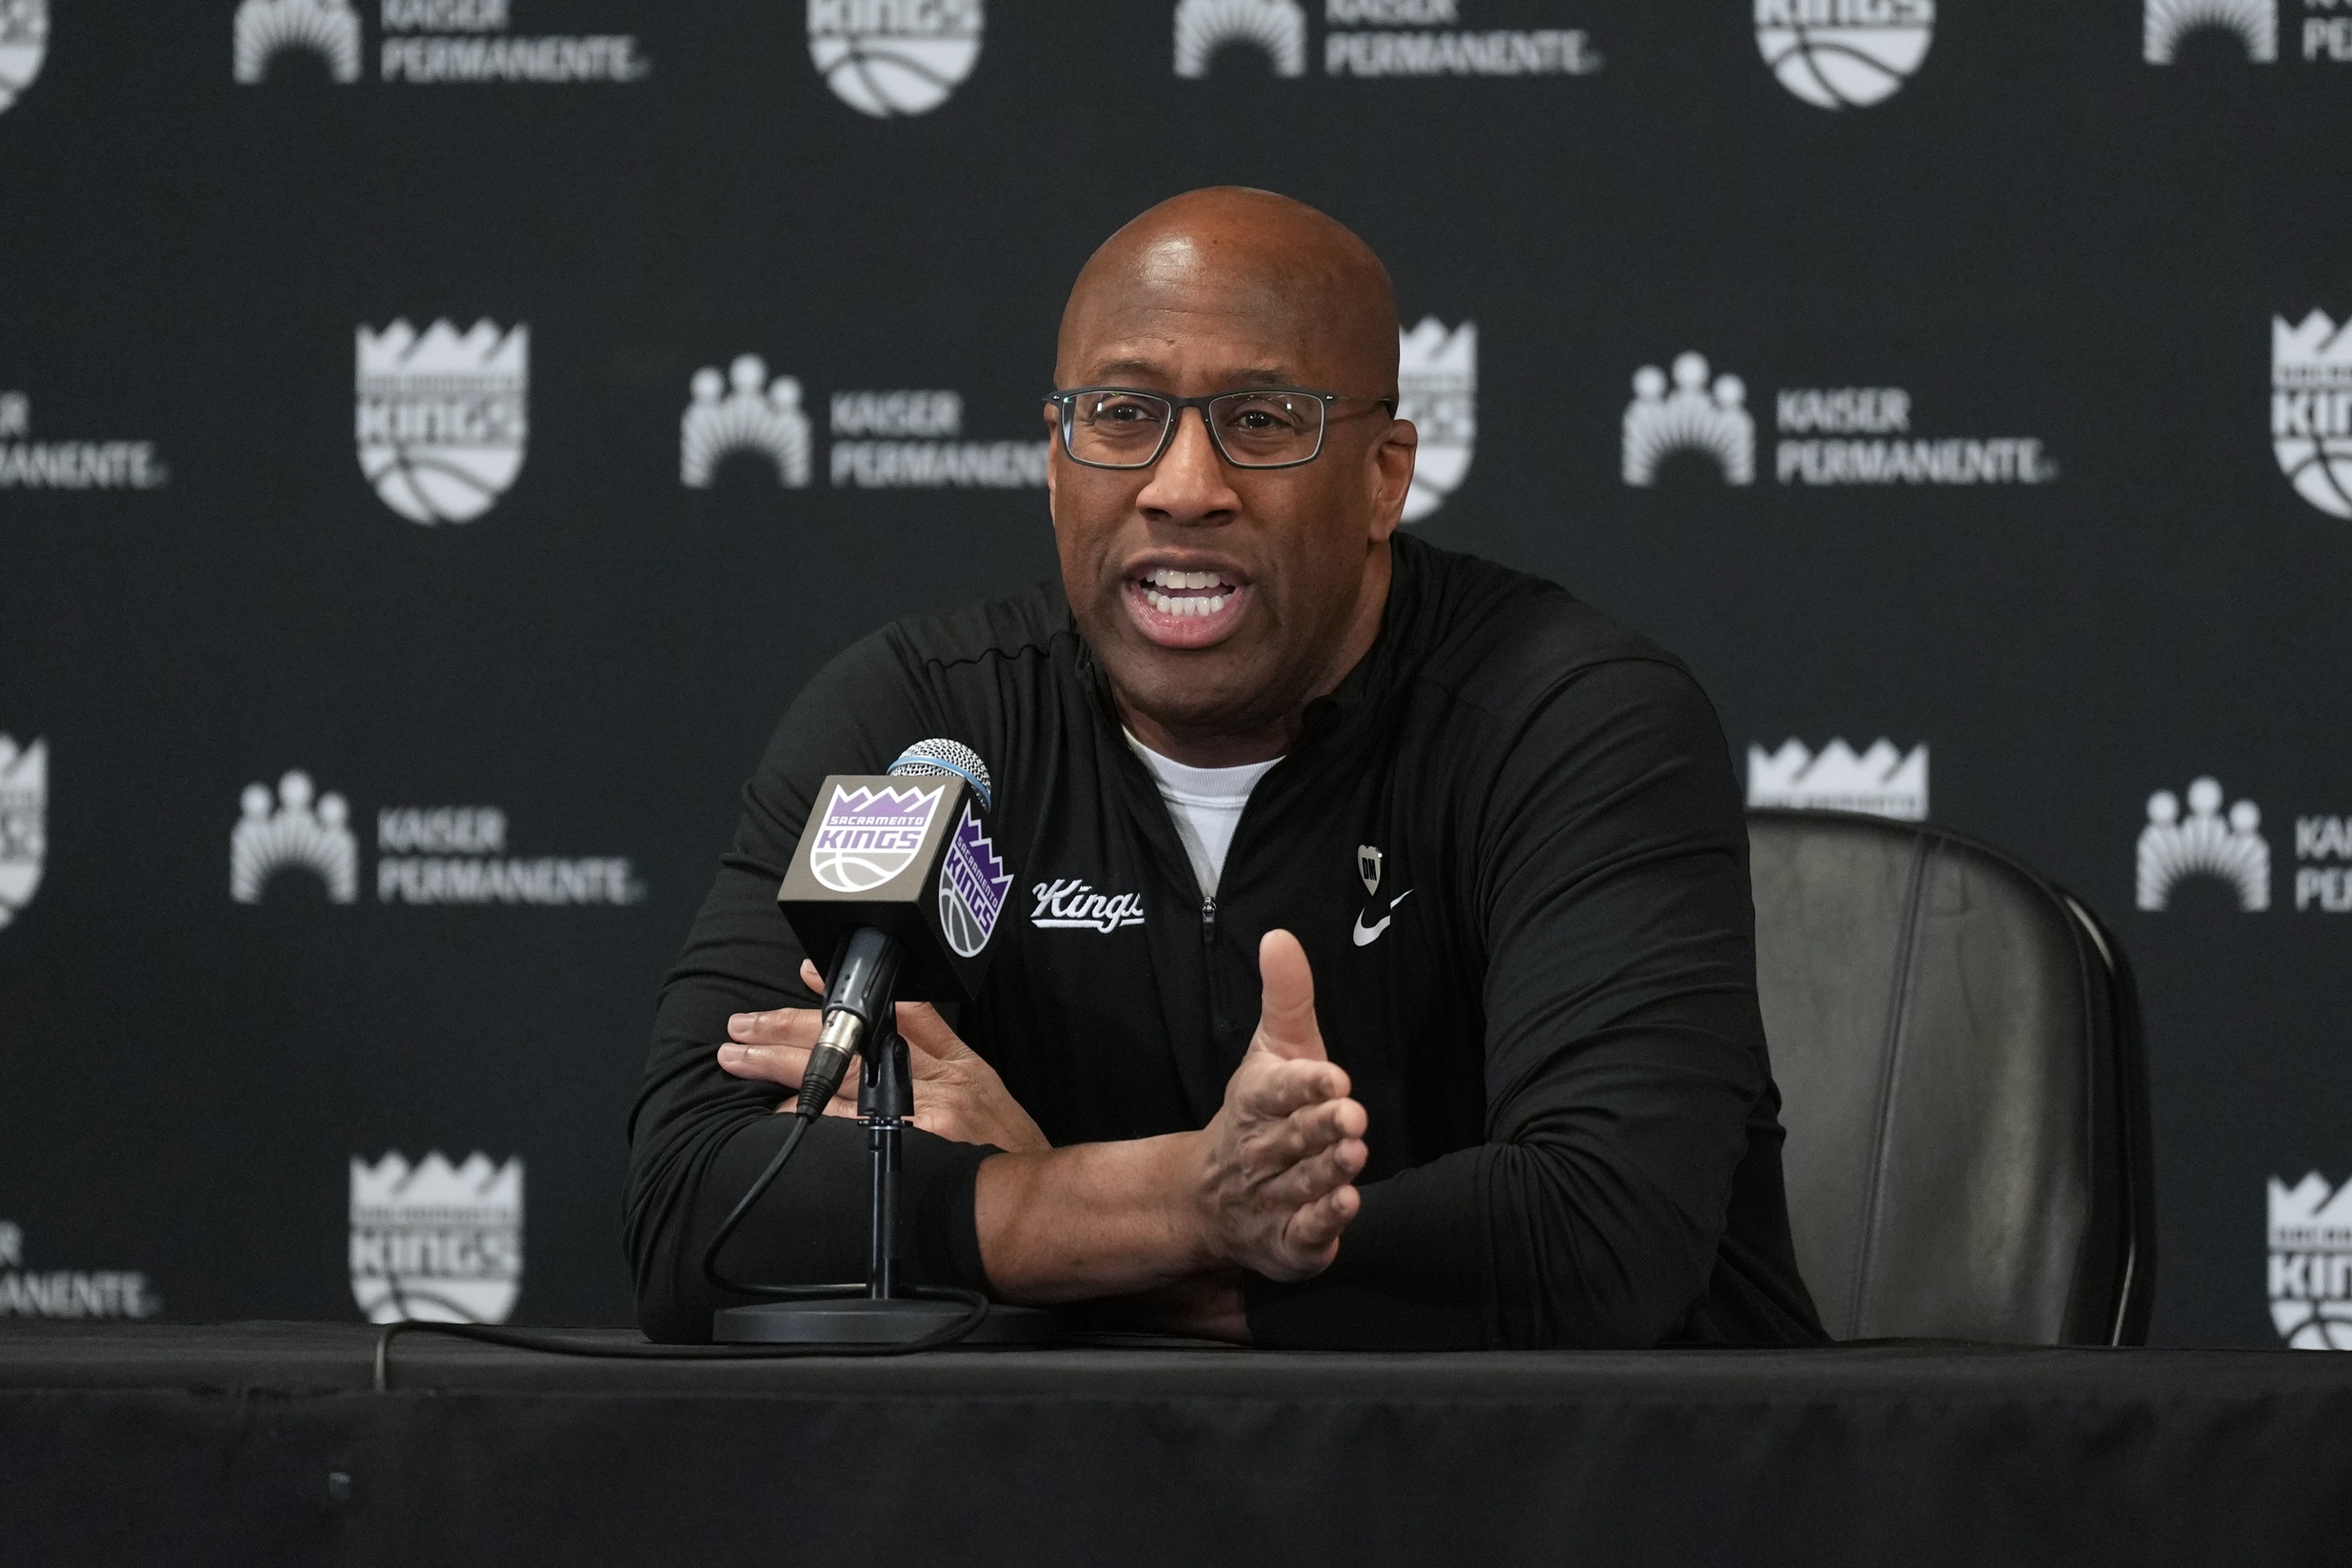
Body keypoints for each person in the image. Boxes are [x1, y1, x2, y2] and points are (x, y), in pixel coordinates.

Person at [626, 188, 1824, 1348]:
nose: (1182, 488)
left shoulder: (1568, 719)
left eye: (1262, 422)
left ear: (1383, 477)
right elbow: (702, 1212)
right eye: (1119, 414)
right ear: (1054, 460)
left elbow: (1594, 1240)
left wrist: (1044, 1211)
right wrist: (1189, 1200)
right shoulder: (925, 722)